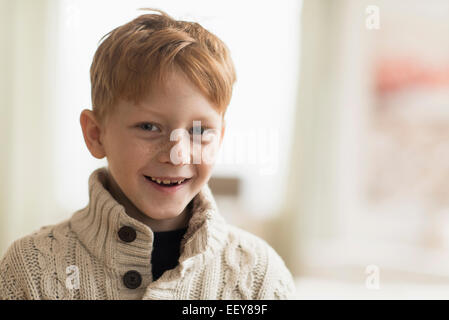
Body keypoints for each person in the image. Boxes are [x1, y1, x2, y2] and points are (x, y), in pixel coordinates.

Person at [0, 8, 296, 300]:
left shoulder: (261, 276)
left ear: (220, 137)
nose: (178, 155)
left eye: (198, 130)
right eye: (150, 126)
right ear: (95, 134)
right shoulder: (28, 269)